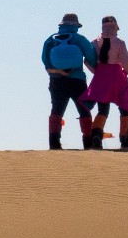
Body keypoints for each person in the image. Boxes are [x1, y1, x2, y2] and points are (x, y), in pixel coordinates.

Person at [82, 15, 128, 151]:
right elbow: (127, 64)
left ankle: (96, 137)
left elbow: (86, 61)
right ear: (115, 27)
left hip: (100, 78)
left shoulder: (94, 43)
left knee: (103, 110)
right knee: (125, 108)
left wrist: (98, 73)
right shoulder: (120, 43)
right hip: (117, 77)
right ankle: (125, 139)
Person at [41, 12, 99, 150]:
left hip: (56, 81)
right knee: (84, 110)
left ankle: (54, 143)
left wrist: (55, 72)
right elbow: (91, 56)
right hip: (77, 79)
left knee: (57, 110)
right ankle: (88, 142)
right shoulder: (79, 39)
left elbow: (45, 59)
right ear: (75, 26)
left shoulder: (51, 39)